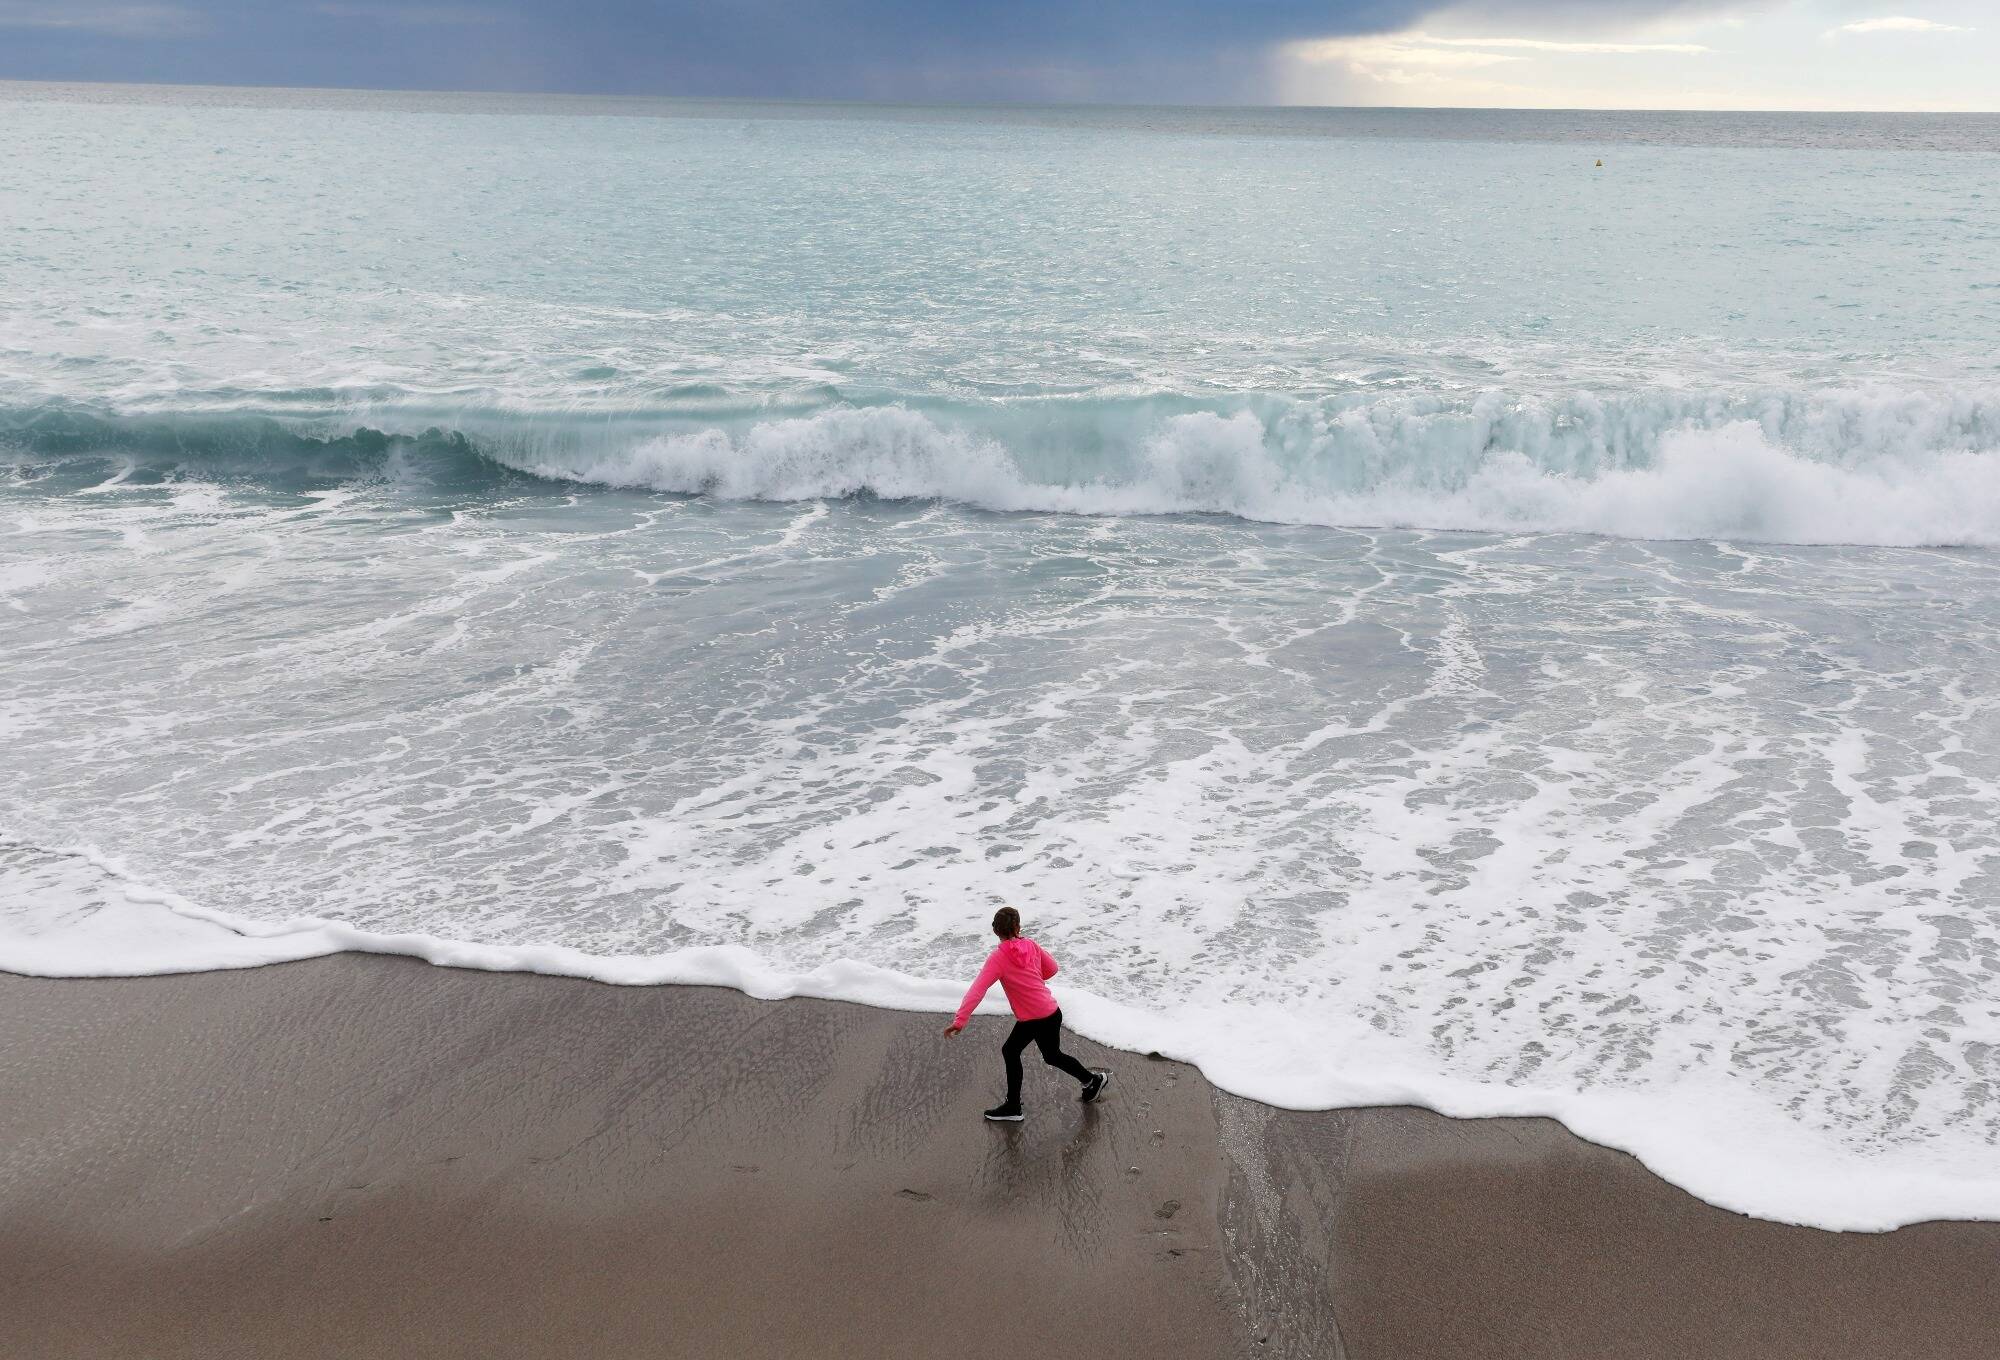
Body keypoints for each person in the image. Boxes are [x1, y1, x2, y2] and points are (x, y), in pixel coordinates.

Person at [943, 906, 1110, 1121]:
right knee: (1051, 1055)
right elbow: (1052, 969)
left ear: (995, 931)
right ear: (1018, 927)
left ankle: (1013, 1107)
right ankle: (1092, 1080)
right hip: (1051, 1011)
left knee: (1012, 1051)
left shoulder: (997, 958)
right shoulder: (1030, 944)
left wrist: (960, 1021)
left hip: (1034, 1019)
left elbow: (978, 989)